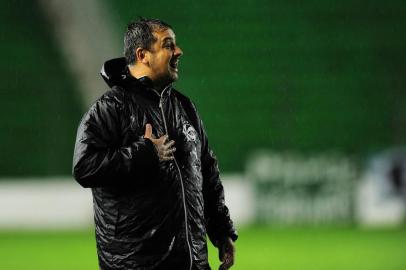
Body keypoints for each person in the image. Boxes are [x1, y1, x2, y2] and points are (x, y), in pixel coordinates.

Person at [72, 18, 237, 270]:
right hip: (135, 264)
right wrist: (144, 153)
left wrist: (221, 230)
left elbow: (207, 172)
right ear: (143, 55)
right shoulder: (110, 108)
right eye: (168, 45)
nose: (178, 51)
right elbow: (84, 166)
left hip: (193, 263)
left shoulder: (185, 107)